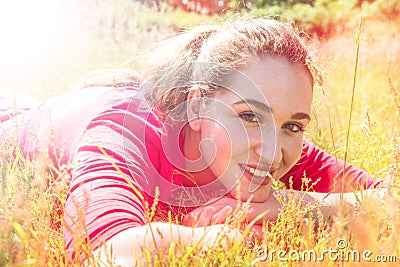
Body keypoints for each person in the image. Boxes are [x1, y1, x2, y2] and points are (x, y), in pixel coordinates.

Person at [0, 18, 384, 265]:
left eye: (293, 126)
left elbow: (390, 202)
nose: (271, 150)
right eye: (249, 116)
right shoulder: (123, 134)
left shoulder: (267, 142)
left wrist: (286, 205)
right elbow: (105, 253)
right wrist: (217, 238)